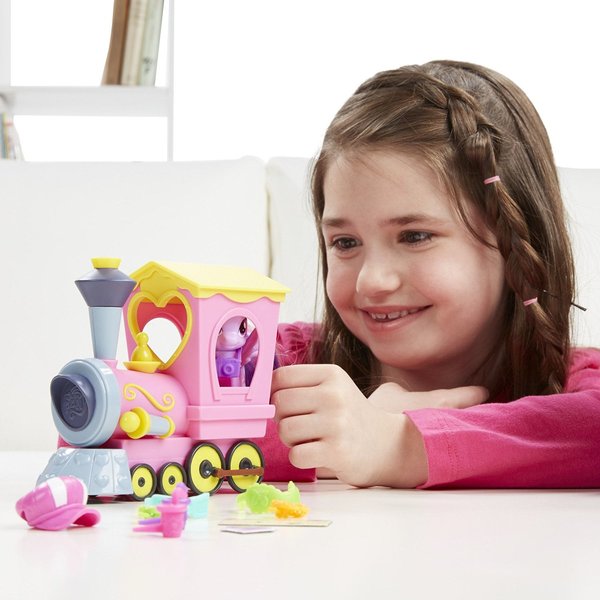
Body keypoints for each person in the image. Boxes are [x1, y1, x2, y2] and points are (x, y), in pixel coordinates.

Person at [261, 60, 600, 489]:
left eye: (415, 236)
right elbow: (180, 422)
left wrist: (395, 444)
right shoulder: (277, 363)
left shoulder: (577, 385)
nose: (371, 281)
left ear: (515, 241)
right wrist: (342, 433)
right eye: (345, 242)